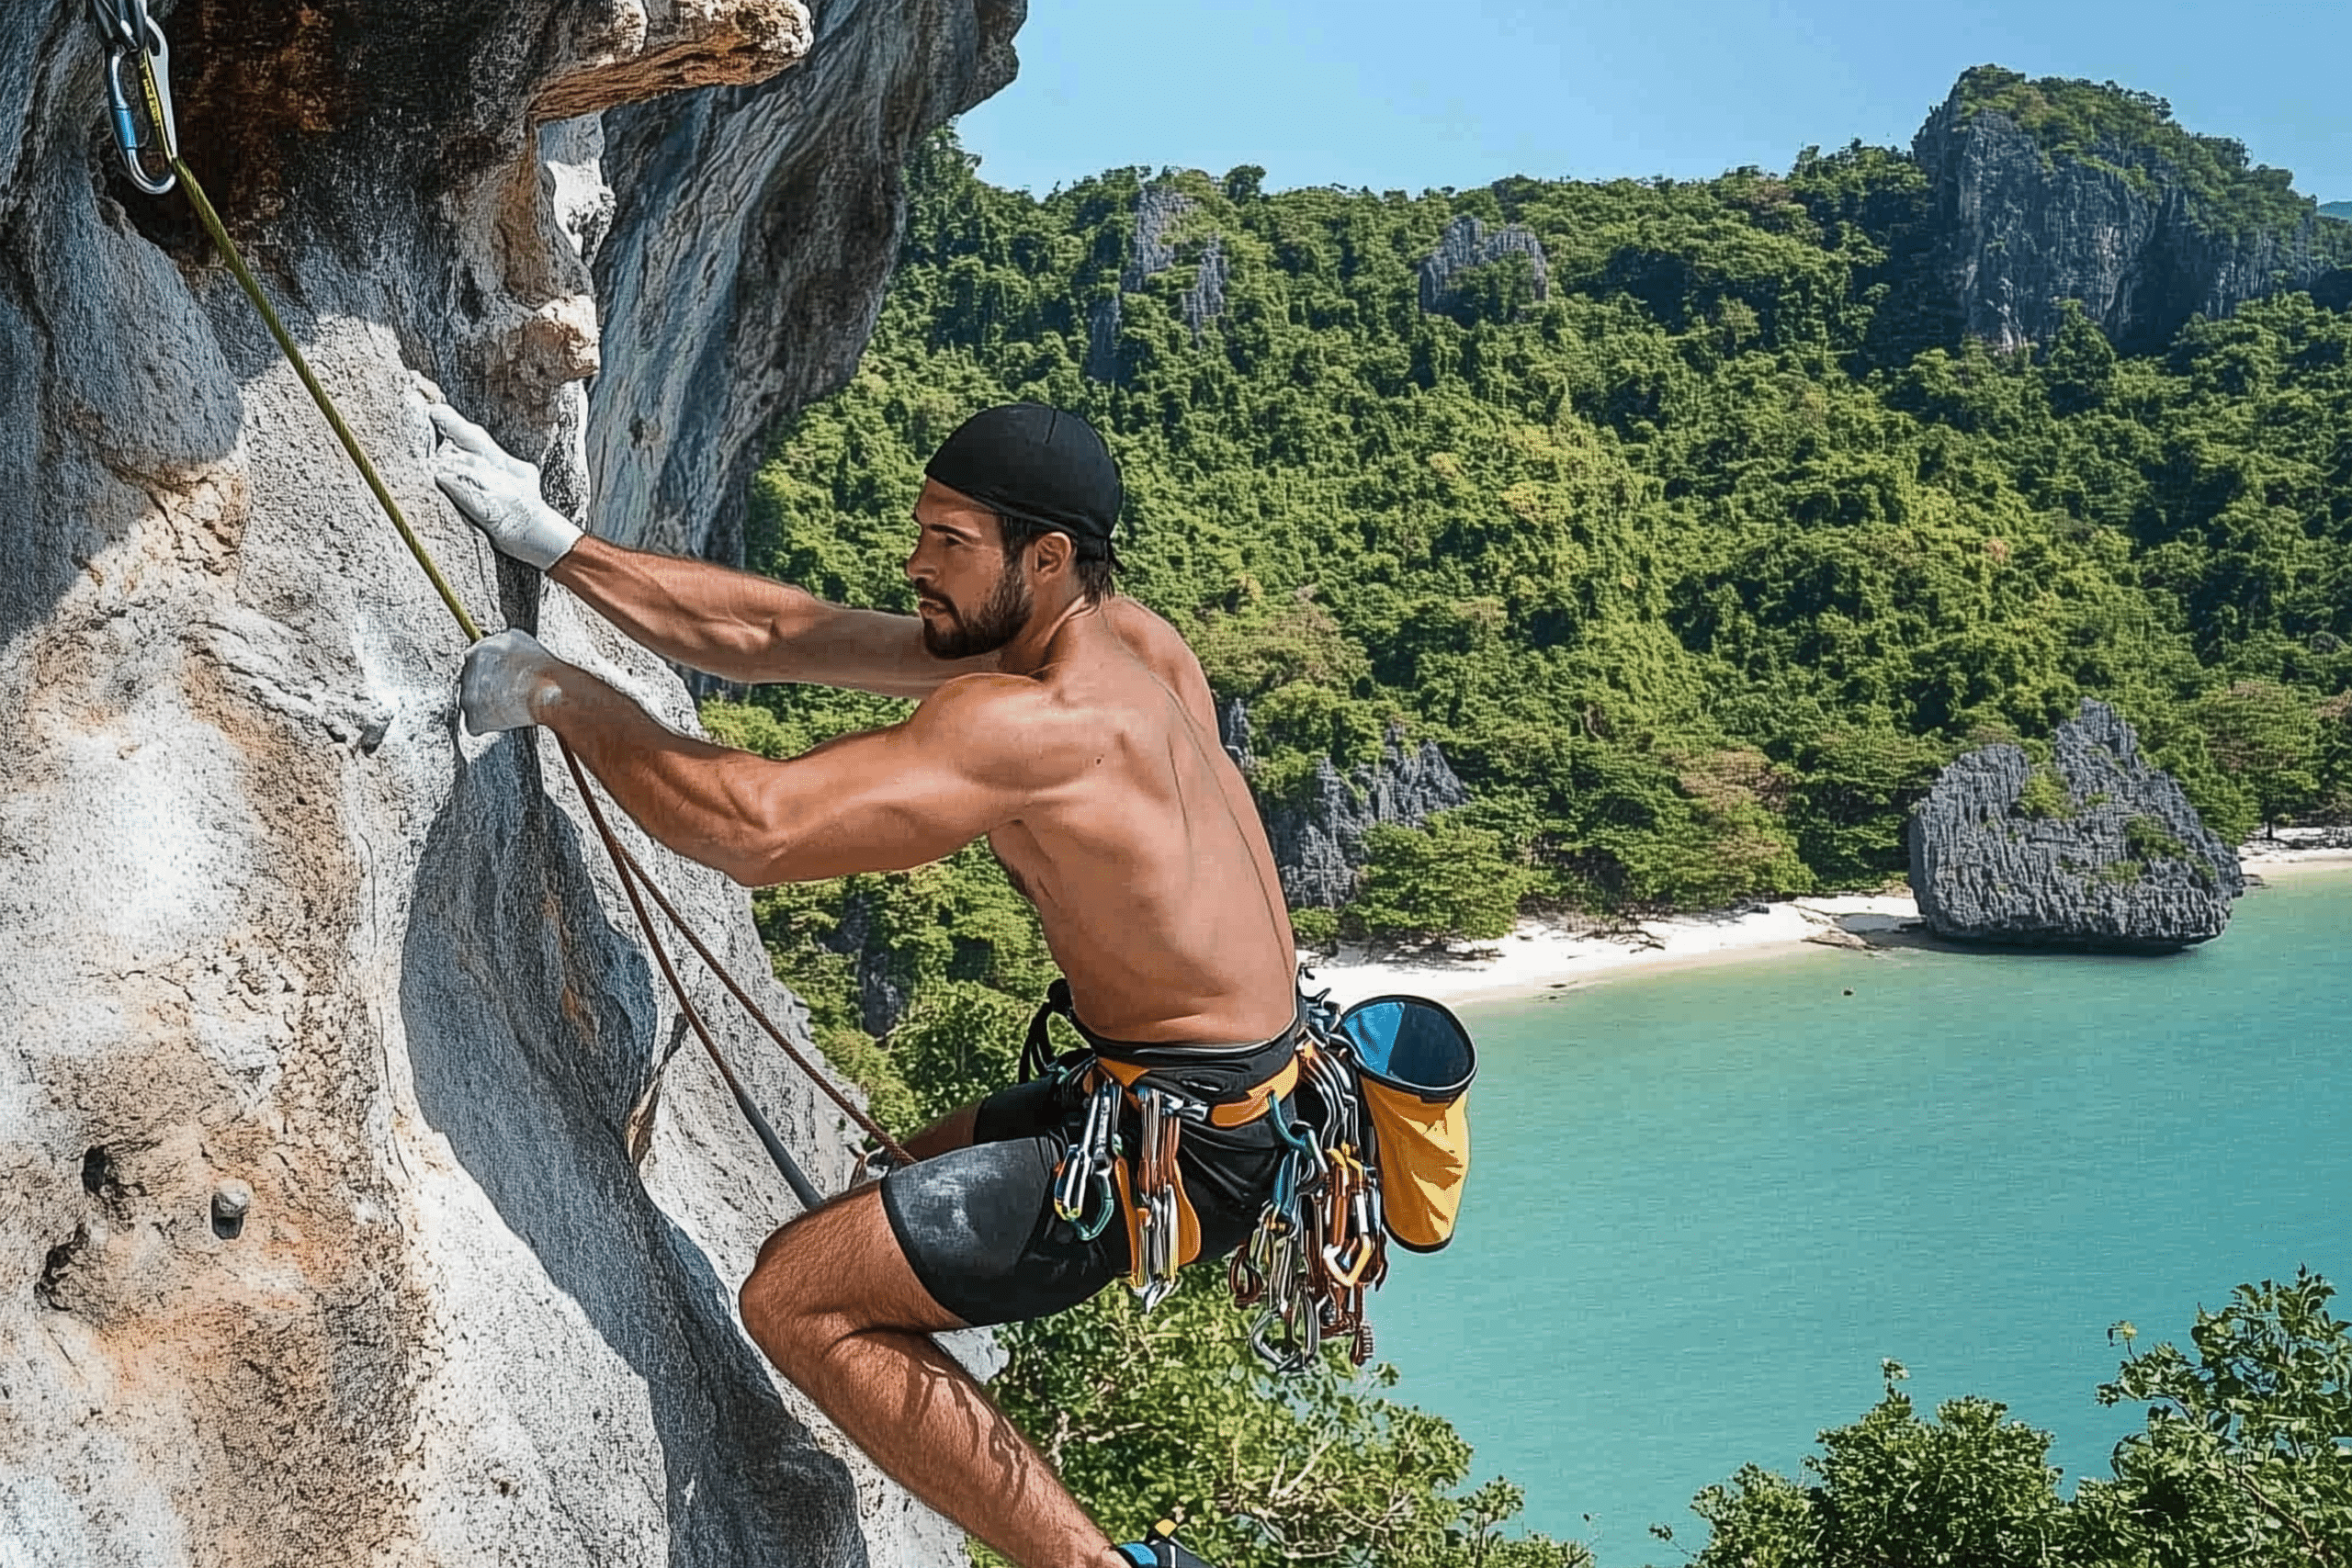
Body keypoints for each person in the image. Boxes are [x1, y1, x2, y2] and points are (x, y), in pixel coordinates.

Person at [427, 396, 1294, 1568]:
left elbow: (758, 830)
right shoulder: (1127, 637)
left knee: (798, 1297)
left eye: (950, 542)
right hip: (1204, 1091)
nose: (915, 564)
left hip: (1181, 1141)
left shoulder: (1038, 726)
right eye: (922, 531)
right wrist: (559, 548)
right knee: (888, 1187)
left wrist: (560, 696)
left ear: (1042, 559)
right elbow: (786, 638)